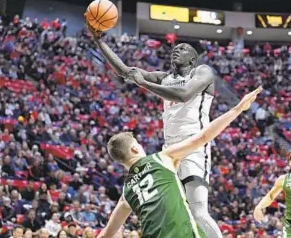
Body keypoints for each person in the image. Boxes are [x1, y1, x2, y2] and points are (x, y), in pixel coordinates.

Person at [88, 22, 221, 237]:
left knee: (198, 211)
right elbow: (124, 71)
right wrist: (99, 41)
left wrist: (143, 83)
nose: (177, 50)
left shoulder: (202, 72)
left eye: (184, 49)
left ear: (193, 60)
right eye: (175, 48)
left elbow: (184, 95)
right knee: (174, 210)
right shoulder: (163, 78)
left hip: (193, 147)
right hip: (169, 151)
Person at [98, 87, 262, 238]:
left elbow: (107, 234)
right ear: (134, 149)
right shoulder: (161, 159)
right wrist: (238, 108)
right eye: (138, 144)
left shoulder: (126, 194)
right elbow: (203, 137)